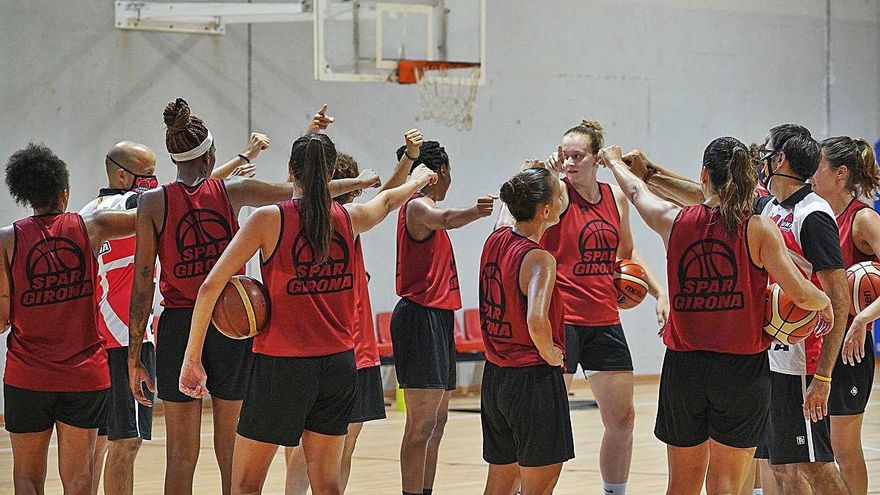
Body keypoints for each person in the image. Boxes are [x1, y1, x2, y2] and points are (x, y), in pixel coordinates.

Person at [126, 99, 376, 495]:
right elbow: (303, 190)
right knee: (233, 451)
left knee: (180, 456)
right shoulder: (234, 190)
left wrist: (135, 356)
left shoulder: (152, 202)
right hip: (233, 325)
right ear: (211, 154)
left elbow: (142, 284)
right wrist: (357, 182)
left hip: (178, 326)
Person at [178, 133, 438, 495]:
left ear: (290, 172)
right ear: (331, 172)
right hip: (338, 366)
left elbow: (210, 287)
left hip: (281, 367)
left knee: (245, 484)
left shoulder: (268, 219)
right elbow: (389, 200)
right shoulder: (350, 217)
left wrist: (192, 358)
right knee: (327, 484)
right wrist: (420, 179)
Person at [599, 137, 832, 495]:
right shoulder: (758, 228)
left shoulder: (673, 220)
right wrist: (824, 301)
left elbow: (634, 192)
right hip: (741, 371)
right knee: (725, 485)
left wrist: (614, 163)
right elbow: (801, 292)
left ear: (704, 174)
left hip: (685, 368)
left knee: (682, 485)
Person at [82, 137, 266, 495]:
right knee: (126, 444)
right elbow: (190, 196)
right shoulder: (135, 205)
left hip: (121, 335)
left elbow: (186, 192)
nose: (153, 180)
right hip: (135, 336)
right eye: (147, 175)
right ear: (122, 176)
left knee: (112, 444)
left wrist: (240, 158)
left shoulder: (94, 210)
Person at [498, 120, 667, 495]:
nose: (570, 163)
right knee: (544, 423)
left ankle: (614, 491)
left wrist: (659, 293)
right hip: (562, 322)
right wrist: (541, 173)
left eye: (578, 156)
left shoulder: (615, 197)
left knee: (622, 418)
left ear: (596, 159)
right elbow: (514, 224)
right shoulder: (553, 199)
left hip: (604, 320)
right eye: (565, 156)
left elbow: (627, 254)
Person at [284, 129, 427, 494]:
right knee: (317, 451)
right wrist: (410, 165)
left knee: (334, 450)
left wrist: (408, 162)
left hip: (353, 351)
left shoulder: (347, 221)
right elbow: (388, 197)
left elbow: (385, 196)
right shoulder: (318, 220)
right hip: (333, 350)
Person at [0, 144, 137, 495]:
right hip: (84, 375)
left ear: (25, 195)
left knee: (27, 479)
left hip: (28, 375)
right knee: (79, 479)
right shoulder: (94, 226)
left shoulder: (6, 240)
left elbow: (1, 320)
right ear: (65, 193)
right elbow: (156, 214)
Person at [391, 140, 495, 495]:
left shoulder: (421, 206)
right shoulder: (418, 207)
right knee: (420, 425)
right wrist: (475, 212)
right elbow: (447, 219)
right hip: (419, 319)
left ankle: (425, 490)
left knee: (437, 422)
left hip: (438, 318)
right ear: (442, 173)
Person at [480, 167, 574, 495]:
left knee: (500, 483)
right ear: (546, 210)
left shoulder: (495, 239)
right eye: (560, 194)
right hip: (531, 380)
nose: (565, 198)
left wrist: (524, 176)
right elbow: (536, 320)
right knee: (540, 485)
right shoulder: (539, 259)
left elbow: (506, 218)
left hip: (495, 379)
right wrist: (552, 354)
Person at [811, 136, 880, 495]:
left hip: (849, 349)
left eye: (818, 166)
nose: (811, 174)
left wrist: (861, 318)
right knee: (815, 449)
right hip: (816, 346)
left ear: (839, 173)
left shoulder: (863, 219)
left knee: (843, 446)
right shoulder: (816, 215)